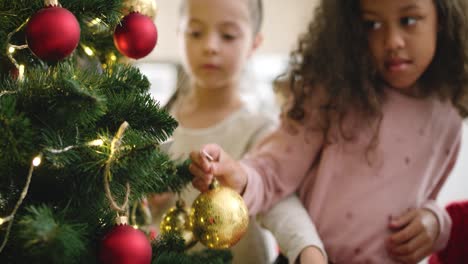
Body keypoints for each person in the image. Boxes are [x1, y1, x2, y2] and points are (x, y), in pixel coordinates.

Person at [189, 0, 468, 263]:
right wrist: (241, 178)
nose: (392, 41)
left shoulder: (449, 113)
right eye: (372, 24)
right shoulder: (331, 91)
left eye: (408, 20)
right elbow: (273, 171)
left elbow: (424, 198)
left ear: (441, 19)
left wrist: (435, 220)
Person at [152, 0, 327, 263]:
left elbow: (278, 200)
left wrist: (307, 248)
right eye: (196, 32)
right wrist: (149, 204)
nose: (210, 46)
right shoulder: (156, 125)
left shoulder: (262, 129)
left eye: (228, 35)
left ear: (254, 43)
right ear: (179, 35)